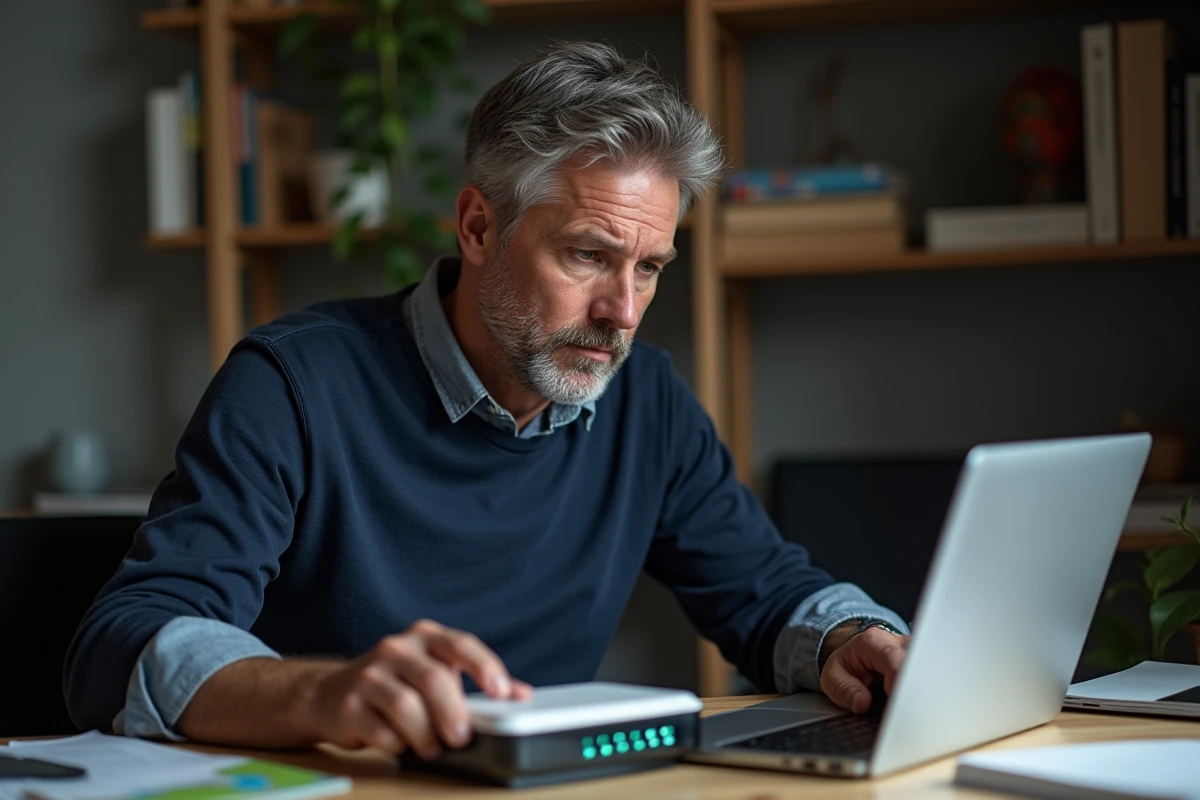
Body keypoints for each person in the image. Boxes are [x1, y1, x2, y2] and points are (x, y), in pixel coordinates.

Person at [65, 42, 910, 760]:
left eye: (649, 268)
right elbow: (122, 643)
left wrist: (851, 640)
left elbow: (765, 593)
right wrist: (321, 694)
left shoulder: (644, 398)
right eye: (587, 255)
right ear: (477, 228)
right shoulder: (291, 384)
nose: (622, 312)